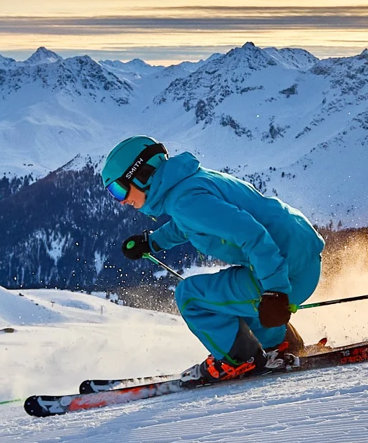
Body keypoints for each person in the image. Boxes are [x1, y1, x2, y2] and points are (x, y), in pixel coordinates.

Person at [102, 136, 325, 383]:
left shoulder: (186, 201)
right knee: (232, 297)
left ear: (142, 174)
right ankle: (277, 344)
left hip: (286, 273)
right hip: (299, 260)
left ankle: (239, 358)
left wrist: (276, 292)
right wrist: (152, 242)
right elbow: (194, 224)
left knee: (189, 296)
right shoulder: (188, 185)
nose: (121, 200)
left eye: (119, 189)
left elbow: (252, 235)